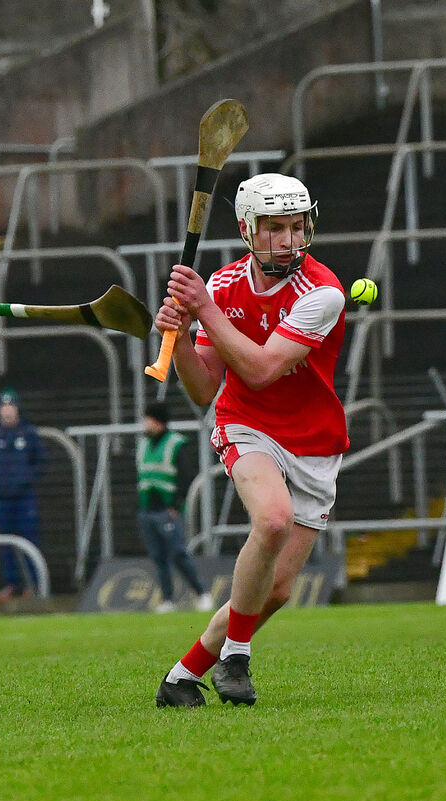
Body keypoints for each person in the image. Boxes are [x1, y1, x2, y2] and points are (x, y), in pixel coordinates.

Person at [151, 173, 348, 708]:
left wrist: (203, 311)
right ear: (247, 229)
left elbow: (262, 368)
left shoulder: (323, 293)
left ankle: (181, 678)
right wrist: (182, 329)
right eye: (274, 228)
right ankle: (236, 658)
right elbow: (202, 388)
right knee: (273, 518)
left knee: (275, 590)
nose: (287, 239)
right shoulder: (220, 286)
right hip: (245, 422)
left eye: (295, 226)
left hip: (313, 440)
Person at [136, 401, 212, 614]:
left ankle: (201, 593)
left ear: (157, 421)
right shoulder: (143, 444)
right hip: (147, 510)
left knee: (178, 553)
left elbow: (186, 476)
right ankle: (167, 599)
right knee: (158, 557)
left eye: (147, 418)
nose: (144, 423)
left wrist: (177, 504)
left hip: (167, 510)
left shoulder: (176, 443)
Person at [0, 389, 45, 602]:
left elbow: (40, 461)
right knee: (6, 543)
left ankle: (32, 584)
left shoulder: (28, 434)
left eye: (11, 406)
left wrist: (26, 478)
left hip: (24, 497)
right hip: (2, 497)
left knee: (29, 539)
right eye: (4, 407)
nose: (7, 411)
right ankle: (12, 584)